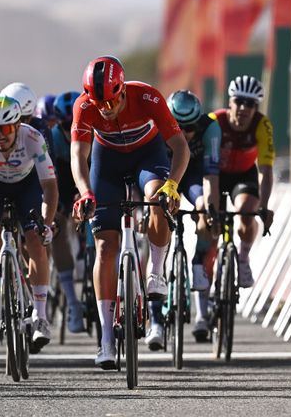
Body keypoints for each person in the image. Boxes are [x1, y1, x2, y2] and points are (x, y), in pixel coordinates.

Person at [71, 57, 189, 369]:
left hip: (147, 156)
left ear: (123, 90)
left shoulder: (147, 97)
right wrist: (85, 193)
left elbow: (180, 147)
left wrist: (172, 186)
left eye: (112, 101)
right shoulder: (84, 107)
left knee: (156, 198)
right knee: (105, 247)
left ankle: (156, 272)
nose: (106, 109)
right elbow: (78, 155)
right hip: (106, 162)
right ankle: (106, 338)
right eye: (99, 103)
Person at [0, 96, 58, 353]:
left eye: (4, 129)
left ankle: (40, 317)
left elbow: (50, 186)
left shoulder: (32, 137)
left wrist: (46, 224)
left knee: (36, 241)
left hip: (27, 186)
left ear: (16, 125)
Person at [157, 89, 221, 345]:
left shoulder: (211, 128)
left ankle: (198, 262)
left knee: (205, 206)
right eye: (178, 127)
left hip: (194, 175)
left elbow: (211, 176)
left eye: (190, 127)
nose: (184, 133)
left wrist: (209, 209)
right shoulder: (156, 127)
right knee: (155, 218)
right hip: (165, 173)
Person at [207, 75, 274, 289]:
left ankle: (243, 259)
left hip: (244, 174)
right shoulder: (214, 121)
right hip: (215, 174)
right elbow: (206, 169)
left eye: (250, 104)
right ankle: (209, 268)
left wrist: (263, 206)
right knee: (212, 223)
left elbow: (266, 170)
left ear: (256, 107)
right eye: (239, 101)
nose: (244, 108)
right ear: (230, 101)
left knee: (246, 211)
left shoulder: (262, 124)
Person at [50, 90, 86, 333]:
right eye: (65, 125)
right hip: (61, 181)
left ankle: (85, 248)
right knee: (58, 228)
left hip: (86, 176)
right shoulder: (52, 138)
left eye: (73, 123)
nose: (69, 128)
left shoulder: (91, 131)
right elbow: (50, 179)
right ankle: (73, 302)